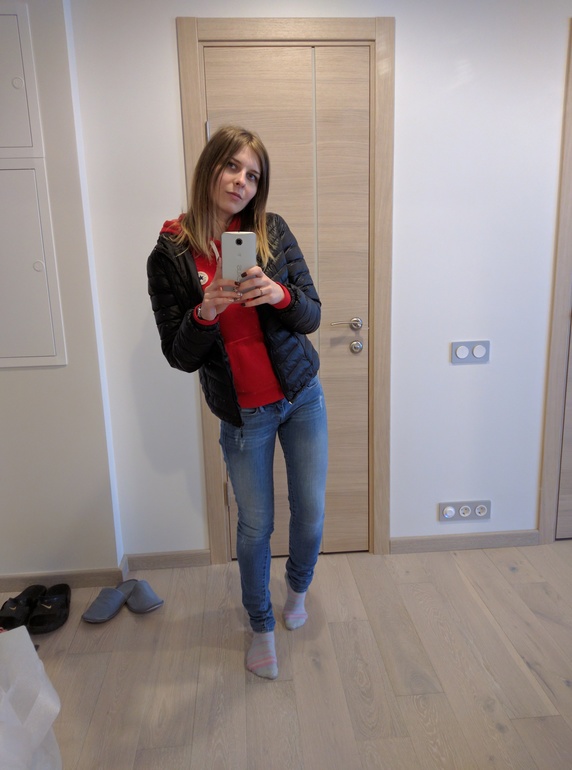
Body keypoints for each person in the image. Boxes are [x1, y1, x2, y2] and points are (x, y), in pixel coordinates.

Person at [147, 125, 328, 679]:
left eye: (253, 175)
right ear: (210, 167)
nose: (241, 181)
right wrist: (205, 312)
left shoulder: (270, 231)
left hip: (301, 398)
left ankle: (297, 590)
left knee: (312, 511)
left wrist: (279, 294)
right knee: (255, 527)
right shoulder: (171, 253)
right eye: (232, 167)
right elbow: (179, 355)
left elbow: (312, 314)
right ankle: (261, 626)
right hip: (245, 416)